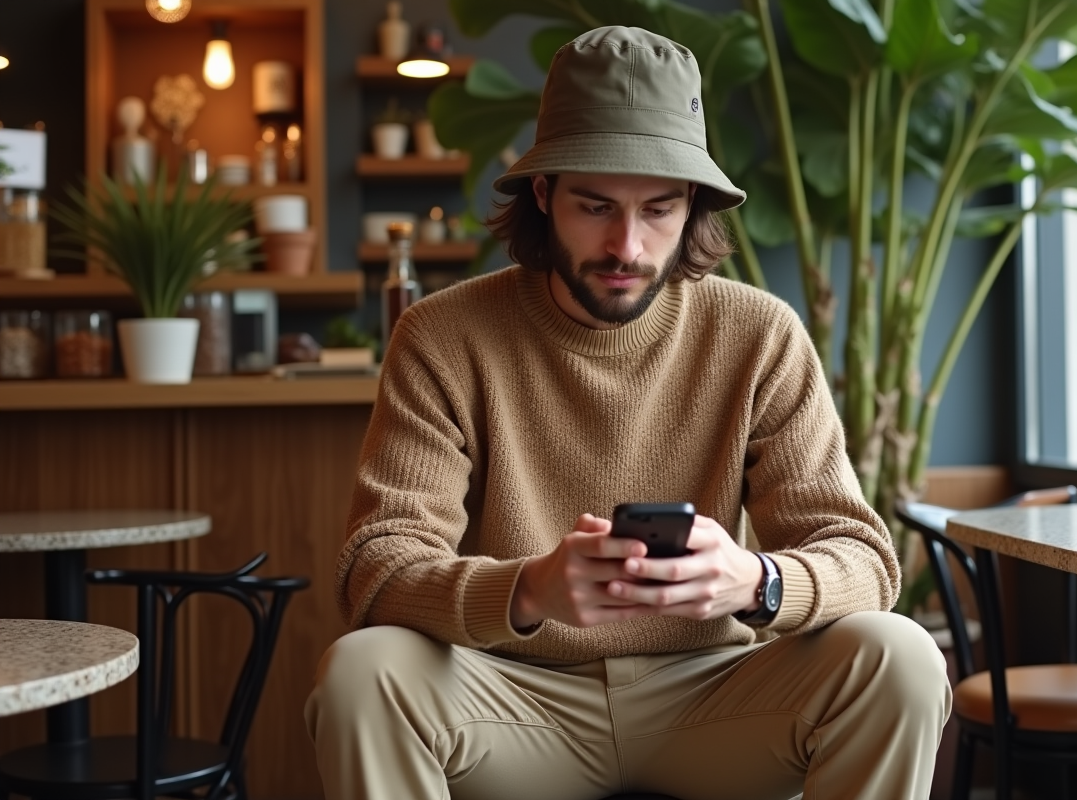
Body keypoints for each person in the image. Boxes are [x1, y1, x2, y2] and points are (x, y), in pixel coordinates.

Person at [306, 25, 950, 800]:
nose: (628, 245)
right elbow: (376, 567)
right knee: (360, 672)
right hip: (514, 702)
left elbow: (864, 560)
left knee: (900, 656)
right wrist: (528, 590)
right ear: (543, 195)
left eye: (659, 210)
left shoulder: (759, 333)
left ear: (693, 208)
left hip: (717, 699)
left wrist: (757, 580)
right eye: (595, 205)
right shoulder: (442, 336)